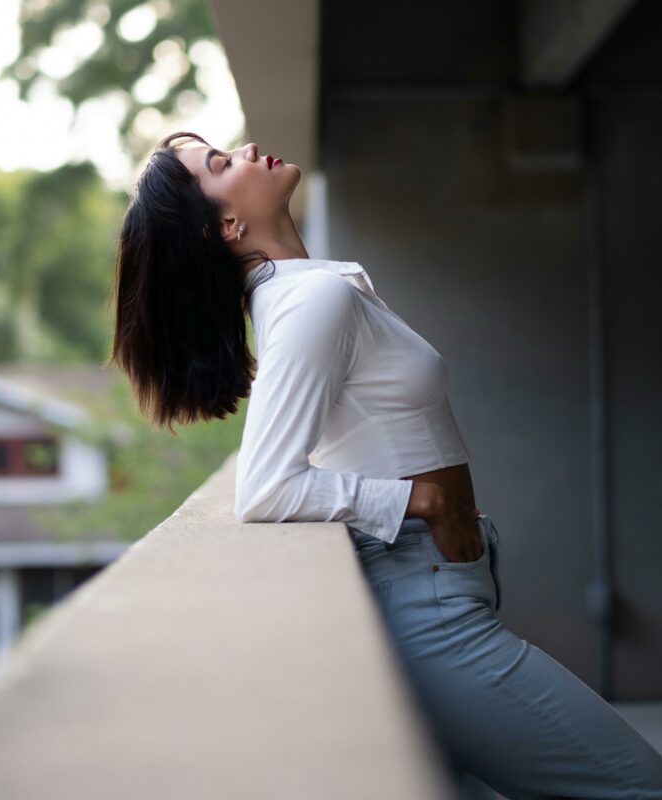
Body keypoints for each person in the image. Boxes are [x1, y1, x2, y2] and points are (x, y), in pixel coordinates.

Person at [108, 131, 662, 800]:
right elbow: (265, 487)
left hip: (443, 584)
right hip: (427, 605)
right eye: (222, 164)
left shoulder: (308, 292)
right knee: (637, 786)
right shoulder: (308, 302)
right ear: (226, 225)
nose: (248, 148)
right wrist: (422, 502)